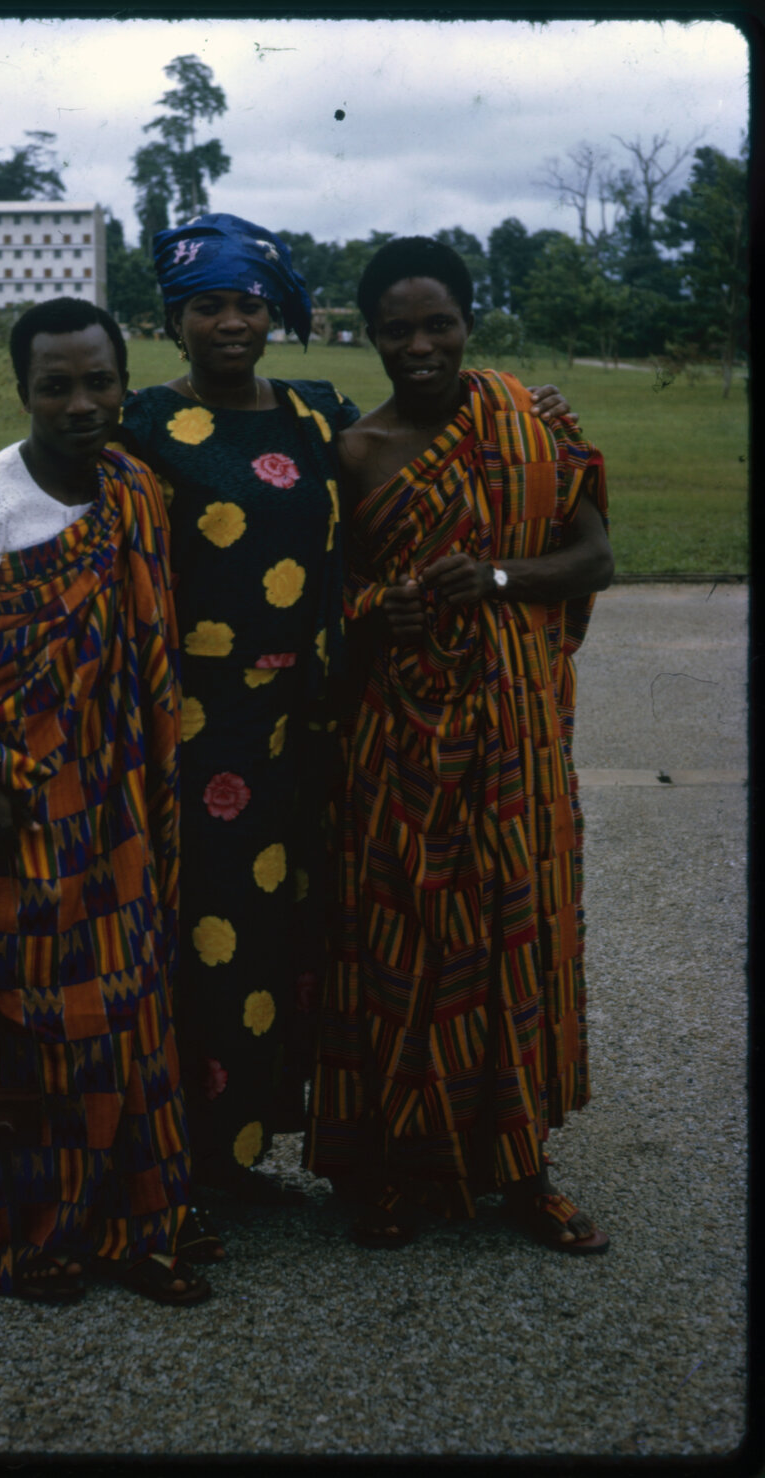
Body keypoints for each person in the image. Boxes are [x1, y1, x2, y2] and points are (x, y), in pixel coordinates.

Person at [118, 213, 575, 1215]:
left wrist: (538, 410)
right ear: (175, 318)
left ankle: (293, 1148)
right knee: (206, 934)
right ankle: (194, 1164)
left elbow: (378, 540)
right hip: (205, 732)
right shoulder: (142, 426)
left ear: (275, 310)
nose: (230, 323)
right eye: (208, 306)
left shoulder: (314, 414)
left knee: (317, 937)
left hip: (322, 723)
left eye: (247, 302)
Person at [0, 297, 211, 1305]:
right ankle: (21, 1232)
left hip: (106, 807)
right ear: (23, 390)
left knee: (119, 1011)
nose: (80, 402)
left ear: (124, 382)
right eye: (55, 385)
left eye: (98, 381)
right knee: (9, 1024)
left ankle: (130, 1219)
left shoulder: (134, 491)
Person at [304, 237, 614, 1254]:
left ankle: (523, 1168)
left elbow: (591, 557)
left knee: (515, 939)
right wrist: (375, 608)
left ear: (469, 323)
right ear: (372, 336)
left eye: (438, 323)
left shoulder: (526, 423)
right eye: (398, 329)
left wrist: (492, 578)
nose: (420, 344)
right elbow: (328, 598)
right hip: (397, 739)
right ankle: (390, 1168)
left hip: (514, 730)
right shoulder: (357, 452)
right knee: (400, 939)